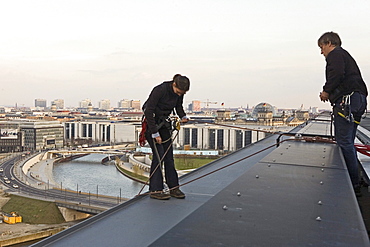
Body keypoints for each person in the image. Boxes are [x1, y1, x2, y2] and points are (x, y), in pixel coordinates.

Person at [318, 31, 368, 195]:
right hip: (358, 101)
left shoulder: (336, 54)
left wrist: (326, 91)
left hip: (347, 102)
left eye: (322, 47)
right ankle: (354, 180)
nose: (321, 52)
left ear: (329, 43)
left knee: (344, 141)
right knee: (348, 141)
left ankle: (352, 184)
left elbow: (337, 74)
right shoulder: (345, 56)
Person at [142, 74, 190, 200]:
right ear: (174, 84)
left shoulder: (178, 93)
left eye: (182, 93)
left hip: (164, 124)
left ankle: (173, 188)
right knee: (159, 155)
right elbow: (148, 110)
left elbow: (178, 107)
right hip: (152, 125)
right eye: (179, 92)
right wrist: (154, 133)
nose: (179, 94)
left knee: (169, 157)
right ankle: (155, 189)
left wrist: (183, 116)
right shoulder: (160, 90)